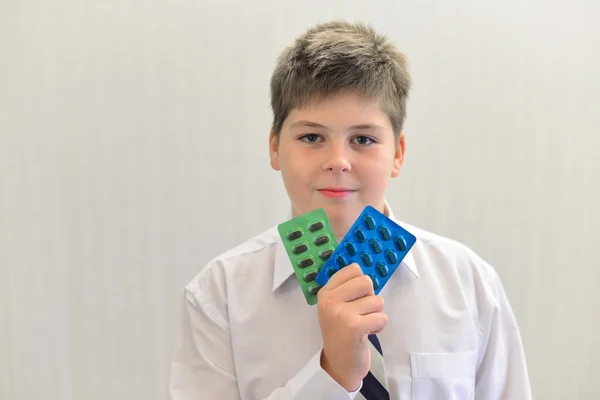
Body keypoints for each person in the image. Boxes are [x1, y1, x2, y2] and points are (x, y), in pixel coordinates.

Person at [168, 20, 532, 399]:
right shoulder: (219, 297)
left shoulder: (470, 284)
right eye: (311, 137)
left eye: (363, 139)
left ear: (397, 154)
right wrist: (331, 375)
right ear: (275, 148)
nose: (338, 161)